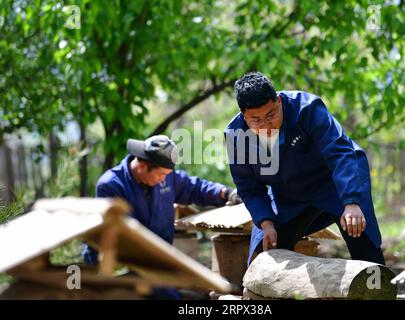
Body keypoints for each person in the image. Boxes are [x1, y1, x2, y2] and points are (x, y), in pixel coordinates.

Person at [225, 72, 385, 266]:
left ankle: (376, 289)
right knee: (266, 250)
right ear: (244, 116)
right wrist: (266, 223)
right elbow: (249, 187)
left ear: (278, 101)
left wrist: (351, 202)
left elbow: (340, 153)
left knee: (360, 236)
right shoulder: (236, 135)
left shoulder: (307, 109)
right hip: (288, 194)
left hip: (335, 183)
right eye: (256, 120)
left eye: (271, 115)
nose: (266, 126)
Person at [82, 135, 241, 298]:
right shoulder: (112, 185)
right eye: (160, 175)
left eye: (166, 175)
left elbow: (193, 187)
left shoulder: (165, 176)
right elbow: (110, 237)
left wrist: (225, 193)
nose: (164, 179)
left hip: (159, 268)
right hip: (125, 268)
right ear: (143, 167)